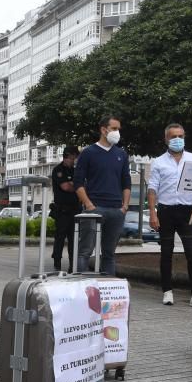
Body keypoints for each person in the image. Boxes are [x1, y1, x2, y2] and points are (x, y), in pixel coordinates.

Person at [147, 123, 192, 306]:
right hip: (166, 211)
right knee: (166, 253)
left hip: (187, 210)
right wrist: (153, 214)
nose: (177, 139)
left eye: (180, 136)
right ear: (166, 139)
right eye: (173, 136)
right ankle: (167, 291)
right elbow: (152, 189)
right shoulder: (158, 162)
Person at [73, 117, 132, 275]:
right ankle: (81, 286)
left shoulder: (121, 154)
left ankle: (108, 289)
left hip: (116, 210)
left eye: (118, 129)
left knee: (109, 253)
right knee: (85, 250)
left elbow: (126, 182)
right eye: (114, 128)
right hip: (94, 208)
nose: (117, 132)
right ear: (103, 129)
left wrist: (124, 207)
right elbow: (77, 183)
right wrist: (89, 204)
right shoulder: (88, 153)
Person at [50, 145, 79, 272]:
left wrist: (75, 185)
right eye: (73, 158)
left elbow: (83, 185)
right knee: (60, 238)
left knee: (74, 239)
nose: (74, 161)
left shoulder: (76, 170)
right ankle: (57, 263)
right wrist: (77, 185)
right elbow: (66, 187)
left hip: (75, 210)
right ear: (67, 157)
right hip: (62, 211)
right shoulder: (58, 170)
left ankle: (73, 265)